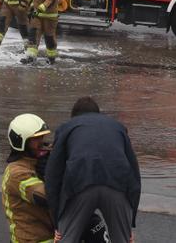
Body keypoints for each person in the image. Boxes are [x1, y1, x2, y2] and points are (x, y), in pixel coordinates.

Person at [46, 97, 141, 243]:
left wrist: (57, 223)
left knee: (66, 239)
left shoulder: (67, 127)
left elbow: (53, 176)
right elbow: (134, 173)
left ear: (74, 116)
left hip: (80, 184)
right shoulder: (118, 127)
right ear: (98, 113)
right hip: (117, 184)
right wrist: (129, 224)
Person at [1, 114, 53, 243]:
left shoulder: (36, 162)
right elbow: (46, 197)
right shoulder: (17, 173)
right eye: (36, 139)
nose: (42, 142)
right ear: (21, 142)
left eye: (42, 137)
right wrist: (51, 173)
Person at [21, 0, 61, 65]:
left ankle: (51, 58)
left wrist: (40, 8)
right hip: (37, 15)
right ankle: (30, 57)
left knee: (49, 38)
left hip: (49, 17)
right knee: (33, 35)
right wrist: (29, 5)